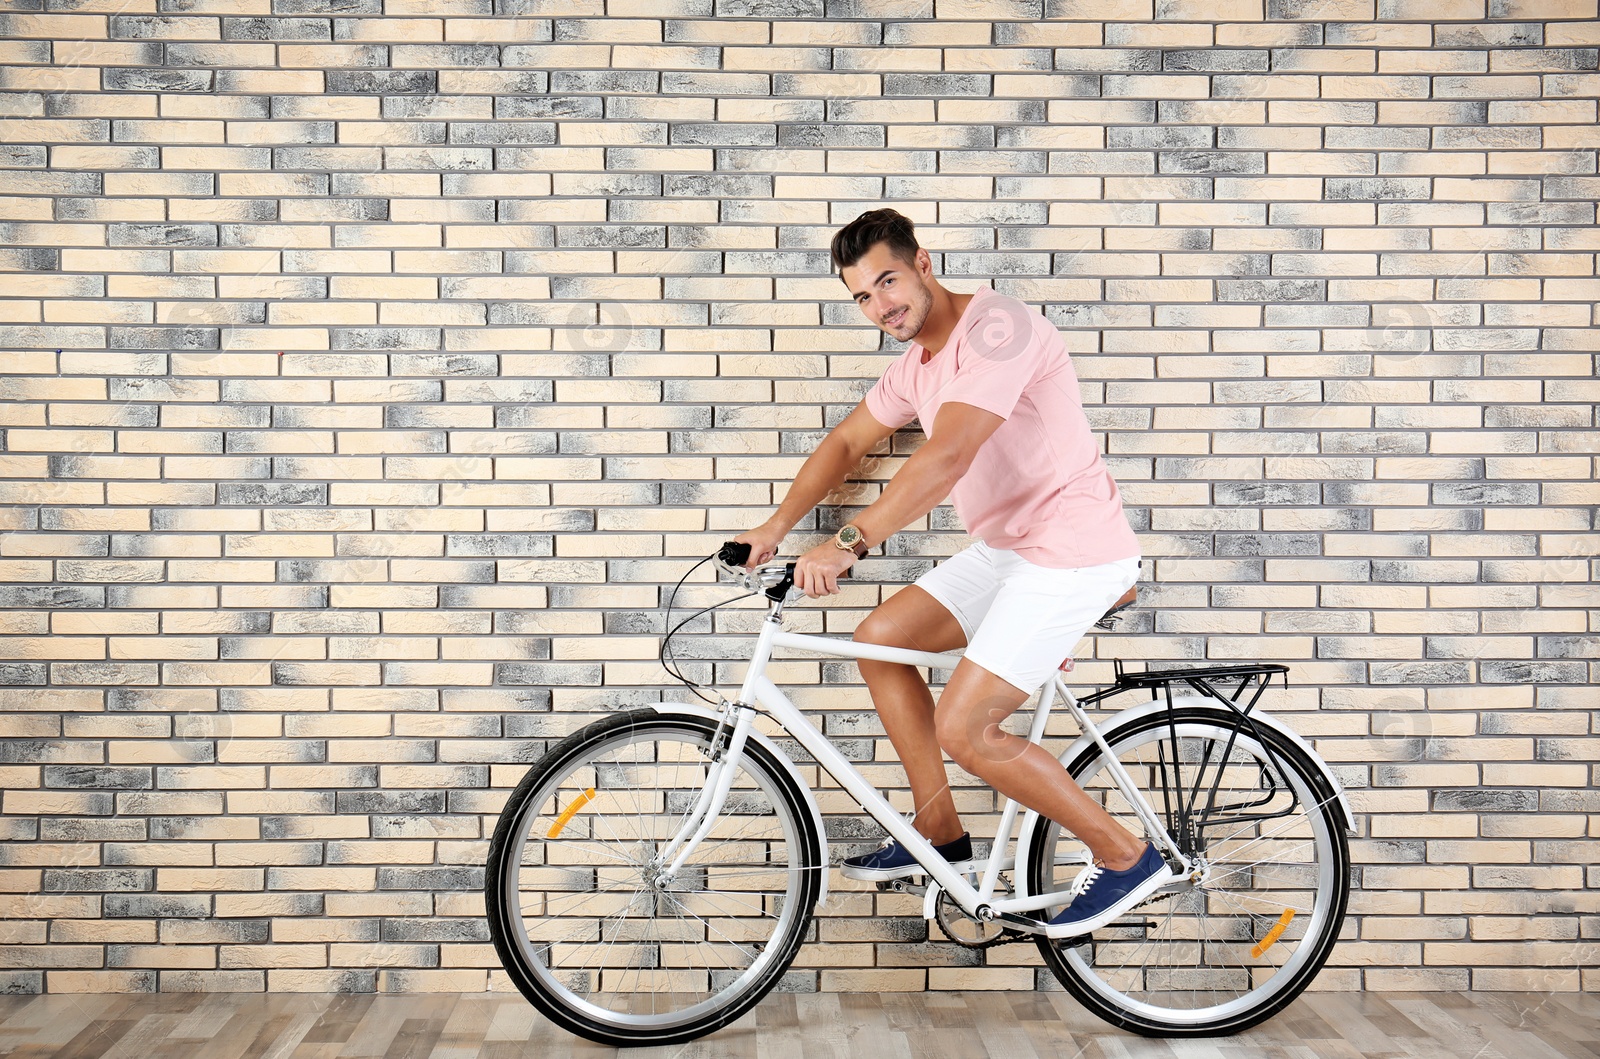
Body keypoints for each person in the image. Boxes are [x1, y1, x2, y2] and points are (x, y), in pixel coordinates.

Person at [732, 208, 1171, 934]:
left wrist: (849, 540)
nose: (882, 307)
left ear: (923, 263)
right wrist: (776, 527)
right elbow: (847, 442)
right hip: (1009, 550)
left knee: (964, 728)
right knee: (882, 641)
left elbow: (949, 455)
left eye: (888, 282)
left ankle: (1125, 855)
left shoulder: (999, 329)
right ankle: (940, 833)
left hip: (1073, 546)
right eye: (863, 298)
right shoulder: (916, 366)